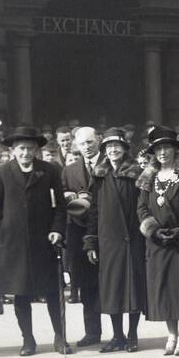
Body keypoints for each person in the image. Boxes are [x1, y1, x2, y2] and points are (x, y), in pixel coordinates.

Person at [0, 125, 71, 356]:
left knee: (53, 292)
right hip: (14, 246)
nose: (25, 153)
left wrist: (57, 230)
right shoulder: (0, 174)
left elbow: (60, 206)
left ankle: (60, 337)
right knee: (21, 294)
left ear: (36, 150)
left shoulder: (49, 171)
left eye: (30, 148)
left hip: (45, 243)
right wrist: (2, 232)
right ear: (13, 150)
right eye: (21, 148)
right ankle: (28, 340)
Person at [136, 126, 179, 356]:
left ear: (175, 150)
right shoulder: (148, 178)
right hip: (157, 242)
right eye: (158, 149)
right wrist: (153, 231)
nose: (163, 152)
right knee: (164, 288)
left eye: (167, 147)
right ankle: (171, 334)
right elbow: (142, 208)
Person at [84, 127, 147, 353]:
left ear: (125, 149)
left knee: (132, 288)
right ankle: (117, 336)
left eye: (117, 146)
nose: (113, 150)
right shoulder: (99, 175)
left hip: (132, 239)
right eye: (108, 147)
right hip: (108, 241)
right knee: (112, 288)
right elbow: (93, 210)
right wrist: (91, 241)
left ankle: (132, 335)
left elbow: (144, 206)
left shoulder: (137, 173)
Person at [63, 127, 103, 346]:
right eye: (82, 144)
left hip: (107, 230)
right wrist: (67, 196)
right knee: (87, 285)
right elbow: (61, 197)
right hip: (79, 230)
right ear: (76, 146)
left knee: (112, 282)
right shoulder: (70, 170)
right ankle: (92, 332)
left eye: (90, 142)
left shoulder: (109, 162)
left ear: (98, 140)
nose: (87, 147)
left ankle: (121, 333)